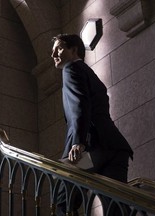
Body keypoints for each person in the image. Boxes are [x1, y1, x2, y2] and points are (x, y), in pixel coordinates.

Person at [51, 34, 133, 215]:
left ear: (74, 50)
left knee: (63, 198)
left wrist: (78, 142)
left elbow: (80, 104)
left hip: (92, 147)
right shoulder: (90, 73)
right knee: (116, 207)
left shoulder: (70, 69)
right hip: (115, 147)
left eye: (59, 48)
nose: (53, 54)